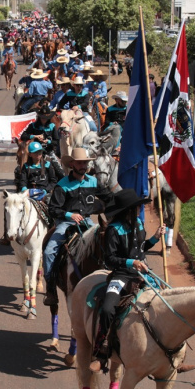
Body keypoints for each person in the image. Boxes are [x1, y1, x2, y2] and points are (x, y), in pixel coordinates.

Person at [91, 189, 165, 372]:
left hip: (142, 274)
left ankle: (169, 353)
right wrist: (132, 262)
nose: (139, 210)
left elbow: (141, 248)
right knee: (108, 309)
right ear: (127, 210)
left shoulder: (139, 224)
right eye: (136, 207)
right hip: (121, 276)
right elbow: (110, 260)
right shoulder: (113, 230)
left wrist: (155, 237)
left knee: (167, 302)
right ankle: (102, 350)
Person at [43, 147, 113, 306]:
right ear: (72, 164)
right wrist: (70, 215)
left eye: (85, 163)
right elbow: (53, 209)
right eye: (80, 163)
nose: (83, 166)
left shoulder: (94, 182)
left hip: (88, 222)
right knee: (48, 252)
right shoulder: (62, 185)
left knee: (106, 242)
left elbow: (109, 198)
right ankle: (51, 289)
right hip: (66, 224)